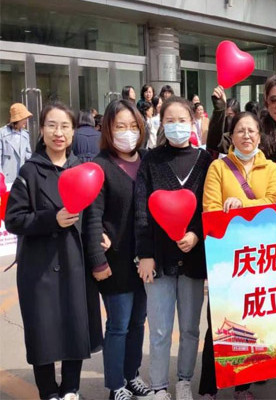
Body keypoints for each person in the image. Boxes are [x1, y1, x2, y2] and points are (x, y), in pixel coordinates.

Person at [5, 102, 102, 400]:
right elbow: (13, 219)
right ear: (42, 130)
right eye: (52, 125)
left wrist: (102, 242)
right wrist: (51, 219)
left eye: (64, 126)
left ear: (73, 132)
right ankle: (48, 391)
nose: (58, 133)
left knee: (75, 327)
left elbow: (93, 217)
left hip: (75, 263)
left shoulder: (83, 170)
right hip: (39, 268)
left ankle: (71, 389)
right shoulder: (30, 171)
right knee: (43, 333)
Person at [135, 96, 213, 400]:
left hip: (193, 259)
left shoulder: (205, 161)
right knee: (159, 329)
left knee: (191, 328)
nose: (176, 126)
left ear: (193, 123)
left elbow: (209, 206)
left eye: (182, 120)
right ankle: (158, 386)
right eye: (170, 120)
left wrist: (196, 234)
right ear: (161, 124)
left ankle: (183, 380)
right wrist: (145, 254)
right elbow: (141, 210)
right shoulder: (151, 161)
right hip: (158, 257)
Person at [199, 111, 276, 400]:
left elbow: (273, 204)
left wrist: (242, 205)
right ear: (231, 136)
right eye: (240, 131)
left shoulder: (270, 167)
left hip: (259, 256)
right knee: (218, 322)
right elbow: (211, 209)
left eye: (252, 131)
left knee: (250, 321)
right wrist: (238, 211)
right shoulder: (218, 168)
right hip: (226, 255)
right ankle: (208, 388)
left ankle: (243, 387)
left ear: (259, 136)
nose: (246, 135)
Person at [83, 100, 153, 400]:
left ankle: (132, 375)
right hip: (115, 263)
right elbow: (92, 218)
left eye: (133, 126)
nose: (128, 132)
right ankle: (116, 385)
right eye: (120, 126)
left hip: (145, 261)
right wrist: (98, 261)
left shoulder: (148, 161)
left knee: (138, 323)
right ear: (108, 131)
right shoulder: (100, 166)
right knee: (119, 325)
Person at [209, 75, 276, 162]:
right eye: (273, 100)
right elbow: (217, 144)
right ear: (266, 102)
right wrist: (219, 110)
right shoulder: (255, 128)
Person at [0, 102, 32, 183]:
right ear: (17, 119)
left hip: (21, 178)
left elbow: (28, 157)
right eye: (24, 118)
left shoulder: (25, 135)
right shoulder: (2, 134)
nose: (26, 120)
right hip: (6, 180)